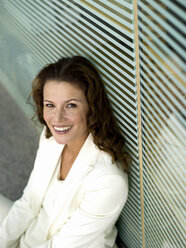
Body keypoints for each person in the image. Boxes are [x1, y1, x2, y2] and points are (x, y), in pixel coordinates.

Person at [0, 56, 129, 248]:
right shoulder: (51, 138)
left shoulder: (108, 181)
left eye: (71, 105)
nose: (57, 118)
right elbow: (29, 203)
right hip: (30, 238)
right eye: (50, 105)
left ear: (91, 108)